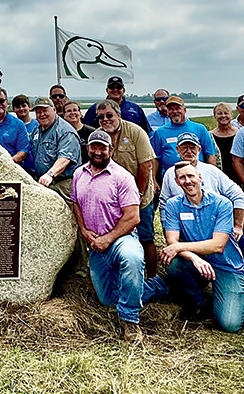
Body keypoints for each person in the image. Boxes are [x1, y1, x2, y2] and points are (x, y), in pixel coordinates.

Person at [70, 131, 167, 343]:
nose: (97, 151)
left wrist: (108, 239)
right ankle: (156, 287)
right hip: (95, 243)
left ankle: (130, 320)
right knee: (107, 299)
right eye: (93, 147)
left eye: (102, 147)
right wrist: (85, 231)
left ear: (110, 150)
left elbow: (133, 217)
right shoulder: (79, 174)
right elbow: (75, 203)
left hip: (121, 239)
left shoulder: (122, 177)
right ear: (87, 149)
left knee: (132, 258)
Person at [158, 133, 244, 308]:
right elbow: (164, 205)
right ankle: (196, 298)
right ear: (177, 150)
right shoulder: (171, 175)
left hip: (219, 233)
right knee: (174, 264)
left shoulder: (212, 171)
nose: (188, 151)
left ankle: (241, 291)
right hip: (188, 235)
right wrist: (172, 237)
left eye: (192, 147)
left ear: (199, 150)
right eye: (184, 147)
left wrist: (238, 226)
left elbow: (238, 196)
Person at [160, 162, 244, 333]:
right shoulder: (172, 205)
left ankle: (224, 294)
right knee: (172, 262)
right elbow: (172, 242)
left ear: (200, 177)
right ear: (177, 182)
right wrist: (194, 257)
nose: (187, 181)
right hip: (196, 263)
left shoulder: (222, 204)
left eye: (191, 176)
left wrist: (180, 247)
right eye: (182, 178)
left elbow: (218, 245)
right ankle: (198, 301)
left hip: (225, 264)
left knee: (230, 325)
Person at [91, 99, 159, 276]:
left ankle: (151, 277)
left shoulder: (136, 132)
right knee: (118, 236)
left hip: (140, 195)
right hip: (112, 198)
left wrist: (138, 195)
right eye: (100, 117)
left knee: (146, 236)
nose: (105, 120)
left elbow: (146, 165)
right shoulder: (98, 136)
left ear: (118, 115)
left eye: (109, 115)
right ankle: (121, 274)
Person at [148, 96, 217, 177]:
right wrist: (153, 180)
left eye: (178, 108)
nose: (174, 112)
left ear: (184, 110)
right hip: (171, 177)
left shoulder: (200, 129)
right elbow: (155, 158)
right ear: (167, 112)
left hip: (196, 176)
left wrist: (211, 176)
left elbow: (210, 155)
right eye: (171, 109)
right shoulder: (160, 132)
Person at [30, 97, 81, 197]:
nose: (42, 114)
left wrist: (50, 175)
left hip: (63, 185)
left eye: (45, 110)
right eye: (38, 111)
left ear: (54, 110)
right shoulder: (37, 130)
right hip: (43, 183)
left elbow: (65, 158)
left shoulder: (66, 131)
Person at [82, 76, 152, 134]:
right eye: (112, 87)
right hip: (105, 147)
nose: (115, 90)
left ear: (123, 90)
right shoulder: (94, 109)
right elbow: (86, 130)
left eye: (118, 87)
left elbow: (146, 131)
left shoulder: (135, 109)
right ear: (107, 90)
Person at [210, 102, 244, 189]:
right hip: (220, 178)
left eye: (226, 113)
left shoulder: (240, 133)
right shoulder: (210, 136)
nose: (223, 116)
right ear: (215, 116)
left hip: (240, 176)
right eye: (219, 113)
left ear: (231, 115)